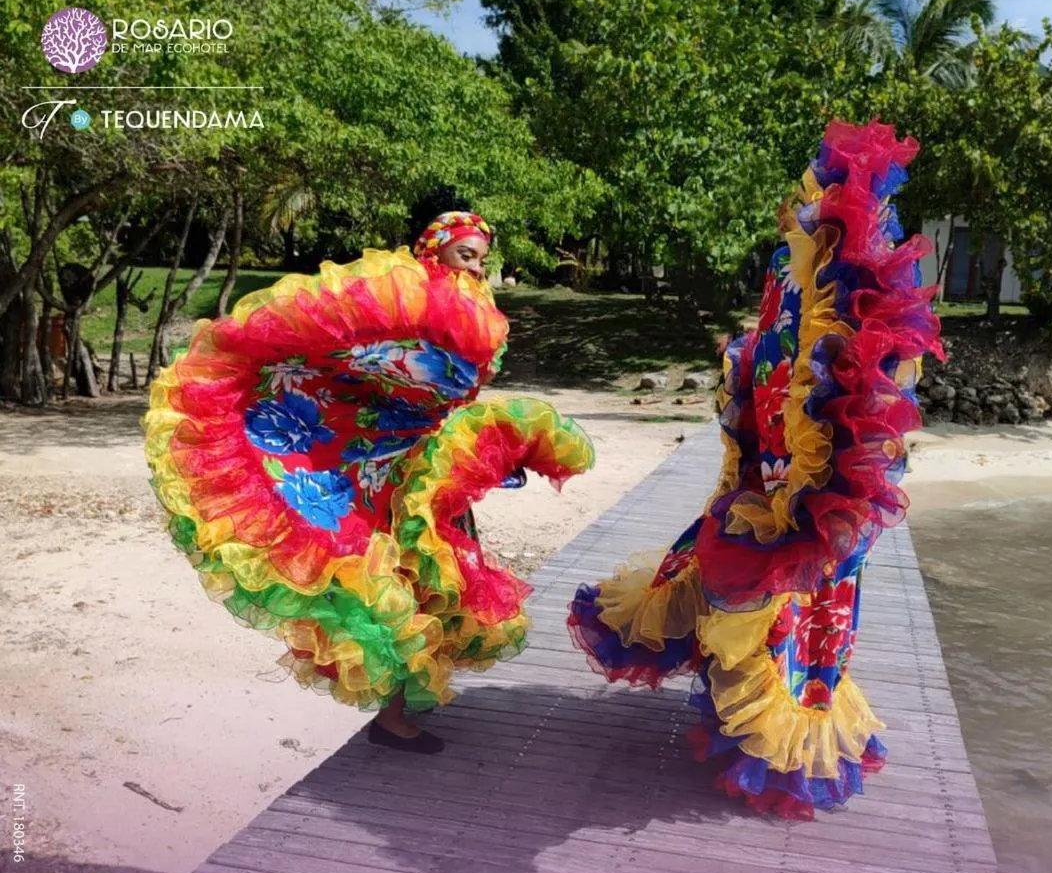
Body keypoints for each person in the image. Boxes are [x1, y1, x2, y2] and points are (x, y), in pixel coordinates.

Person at [568, 120, 943, 819]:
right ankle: (740, 727)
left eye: (832, 197)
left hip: (822, 497)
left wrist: (830, 482)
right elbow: (768, 364)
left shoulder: (867, 290)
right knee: (741, 597)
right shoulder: (789, 271)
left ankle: (774, 753)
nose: (818, 207)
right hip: (767, 475)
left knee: (796, 617)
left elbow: (876, 403)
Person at [144, 190, 594, 756]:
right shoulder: (401, 305)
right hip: (379, 478)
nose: (477, 269)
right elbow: (353, 366)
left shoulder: (469, 314)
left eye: (482, 259)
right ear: (434, 252)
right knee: (393, 585)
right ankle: (394, 714)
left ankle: (403, 704)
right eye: (466, 256)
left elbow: (442, 396)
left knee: (431, 586)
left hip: (422, 479)